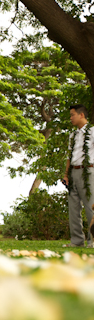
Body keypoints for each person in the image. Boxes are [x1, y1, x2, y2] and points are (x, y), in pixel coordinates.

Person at [63, 104, 94, 248]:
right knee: (73, 207)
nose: (70, 118)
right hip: (73, 172)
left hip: (88, 171)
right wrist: (66, 174)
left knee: (90, 206)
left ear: (81, 115)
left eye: (72, 115)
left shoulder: (93, 131)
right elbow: (69, 156)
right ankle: (77, 240)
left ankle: (92, 240)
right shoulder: (73, 135)